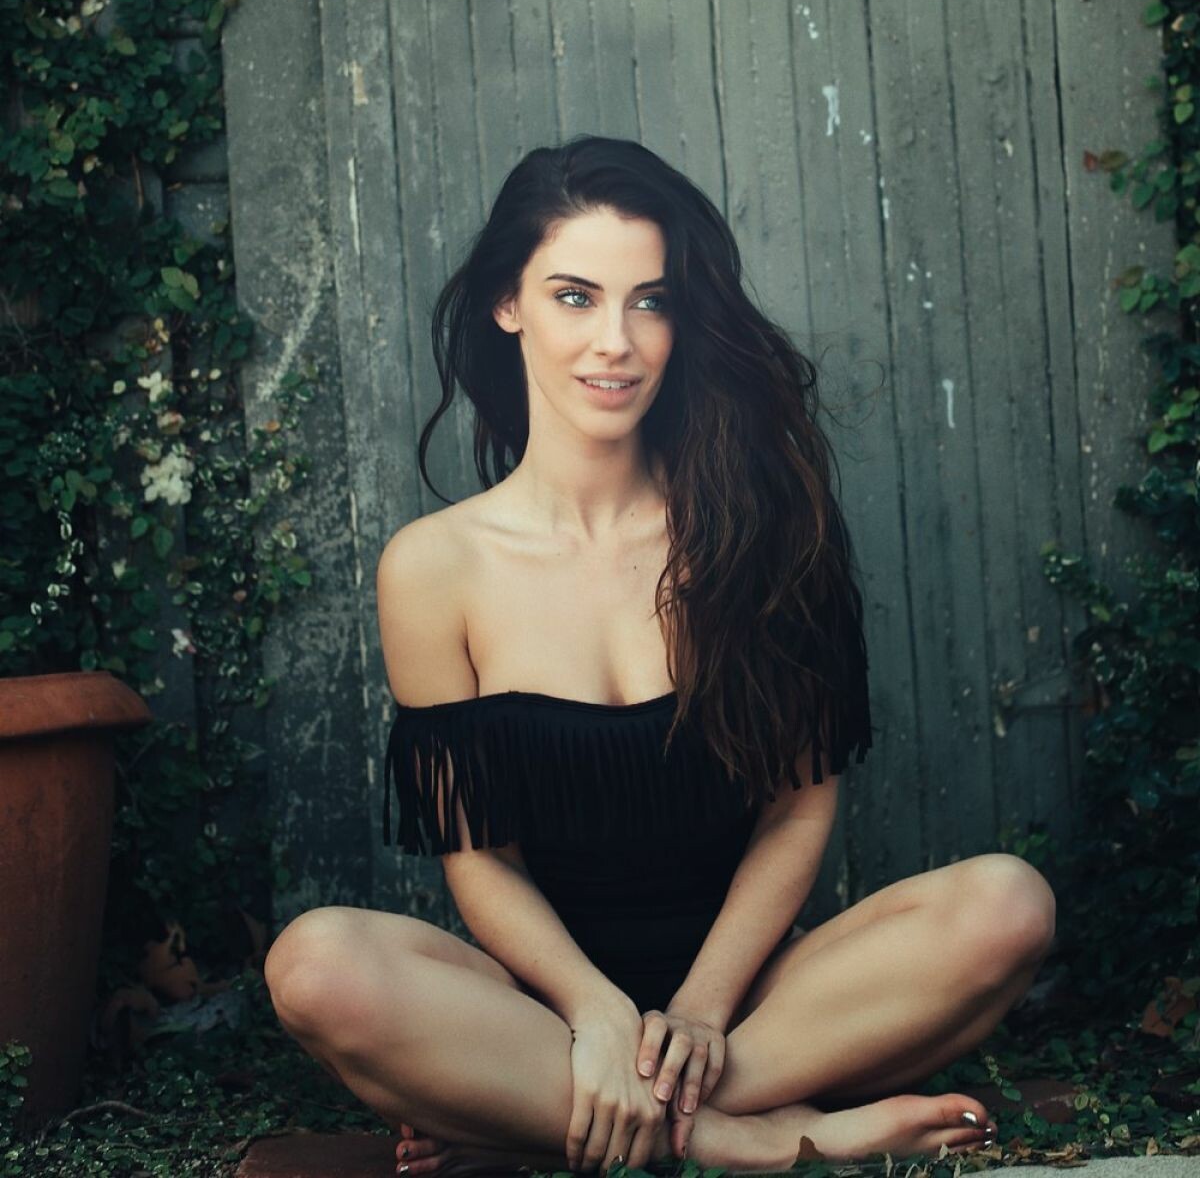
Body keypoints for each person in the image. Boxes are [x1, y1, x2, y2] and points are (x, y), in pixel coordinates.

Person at [264, 135, 1055, 1176]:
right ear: (508, 303)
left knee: (1007, 905)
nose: (618, 343)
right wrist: (593, 1011)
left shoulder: (764, 528)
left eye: (652, 302)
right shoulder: (432, 568)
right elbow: (481, 859)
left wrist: (702, 1010)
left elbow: (797, 811)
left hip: (758, 1003)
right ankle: (757, 1140)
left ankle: (545, 1122)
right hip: (541, 1010)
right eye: (575, 297)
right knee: (316, 965)